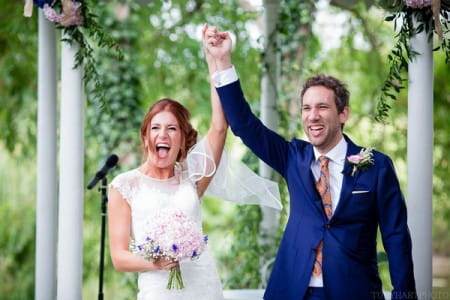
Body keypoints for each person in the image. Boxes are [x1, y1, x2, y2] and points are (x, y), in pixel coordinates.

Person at [203, 25, 417, 300]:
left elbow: (396, 236)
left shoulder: (377, 166)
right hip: (292, 290)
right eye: (306, 108)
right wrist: (223, 61)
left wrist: (405, 296)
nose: (312, 116)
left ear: (343, 114)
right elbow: (244, 124)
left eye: (322, 107)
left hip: (353, 291)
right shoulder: (293, 157)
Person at [107, 25, 281, 300]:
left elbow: (219, 127)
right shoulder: (124, 185)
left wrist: (213, 59)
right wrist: (157, 262)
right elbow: (119, 257)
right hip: (157, 291)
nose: (163, 134)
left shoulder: (192, 178)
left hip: (204, 287)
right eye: (155, 128)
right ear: (145, 137)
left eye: (172, 129)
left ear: (183, 140)